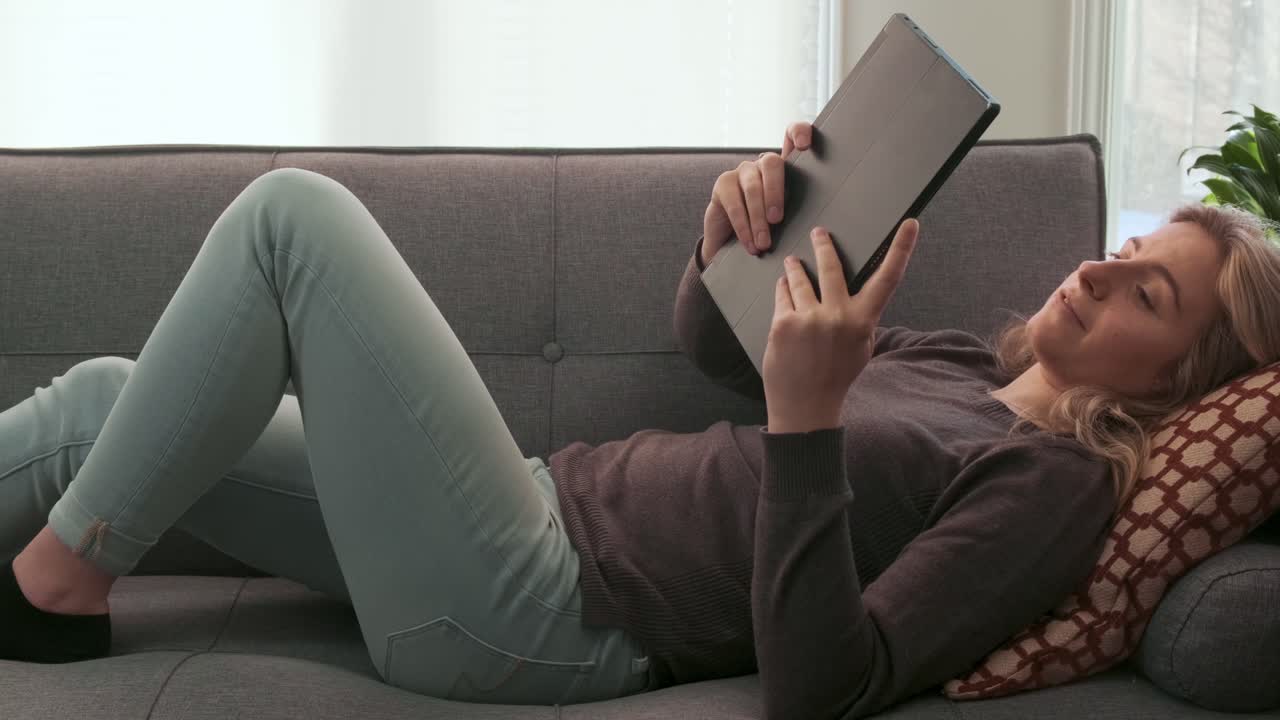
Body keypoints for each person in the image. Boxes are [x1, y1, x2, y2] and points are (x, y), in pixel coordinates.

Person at [1, 120, 1278, 719]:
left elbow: (830, 684)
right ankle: (61, 557)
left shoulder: (1049, 484)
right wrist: (732, 241)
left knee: (295, 217)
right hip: (526, 506)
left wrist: (806, 422)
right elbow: (725, 352)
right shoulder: (953, 366)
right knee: (111, 397)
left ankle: (58, 585)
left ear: (1180, 380)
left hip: (541, 611)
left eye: (1146, 294)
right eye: (1126, 252)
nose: (1098, 269)